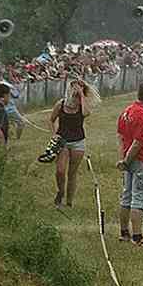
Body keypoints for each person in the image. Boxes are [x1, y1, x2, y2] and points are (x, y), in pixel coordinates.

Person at [49, 77, 99, 209]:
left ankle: (69, 202)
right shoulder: (61, 104)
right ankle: (61, 192)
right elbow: (51, 119)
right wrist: (54, 134)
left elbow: (86, 113)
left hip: (78, 142)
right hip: (62, 141)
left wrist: (82, 94)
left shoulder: (83, 105)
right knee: (60, 171)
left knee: (72, 173)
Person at [117, 81, 143, 247]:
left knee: (126, 197)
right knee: (138, 199)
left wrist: (124, 159)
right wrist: (127, 159)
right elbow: (138, 142)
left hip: (128, 160)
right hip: (140, 160)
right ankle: (137, 237)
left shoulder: (127, 111)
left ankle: (124, 233)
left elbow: (121, 136)